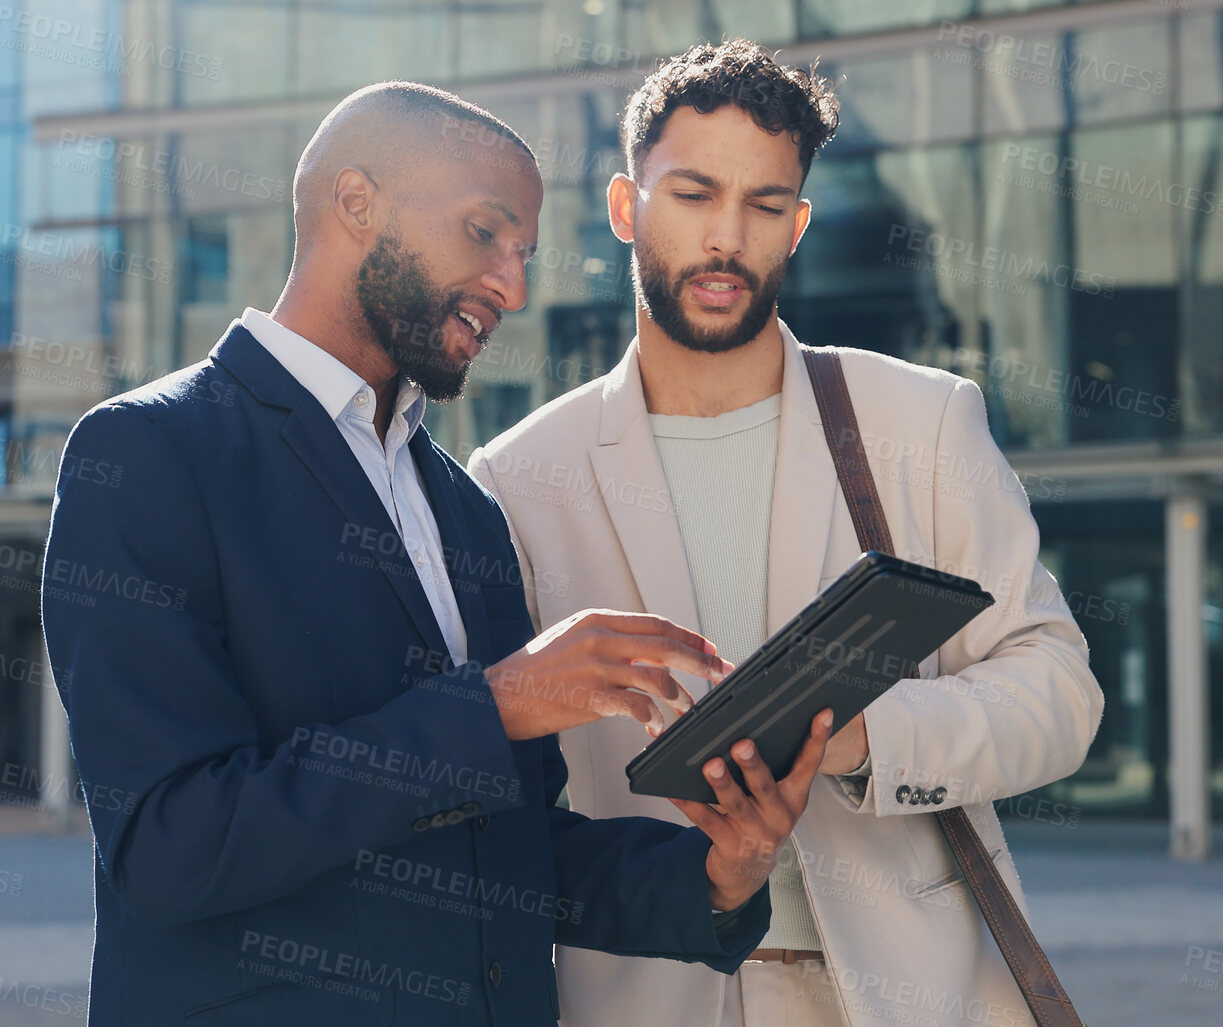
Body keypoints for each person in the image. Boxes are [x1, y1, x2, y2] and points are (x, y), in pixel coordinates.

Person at [40, 81, 835, 1025]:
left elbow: (513, 851)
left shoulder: (465, 507)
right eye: (484, 232)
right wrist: (493, 706)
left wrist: (716, 873)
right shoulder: (147, 453)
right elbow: (173, 849)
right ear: (356, 202)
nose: (513, 285)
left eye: (526, 253)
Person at [467, 41, 1104, 1027]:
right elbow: (508, 799)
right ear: (626, 208)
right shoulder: (516, 478)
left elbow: (1058, 688)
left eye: (765, 206)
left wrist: (859, 735)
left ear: (797, 226)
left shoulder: (921, 422)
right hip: (645, 992)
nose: (728, 238)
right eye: (693, 195)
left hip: (899, 993)